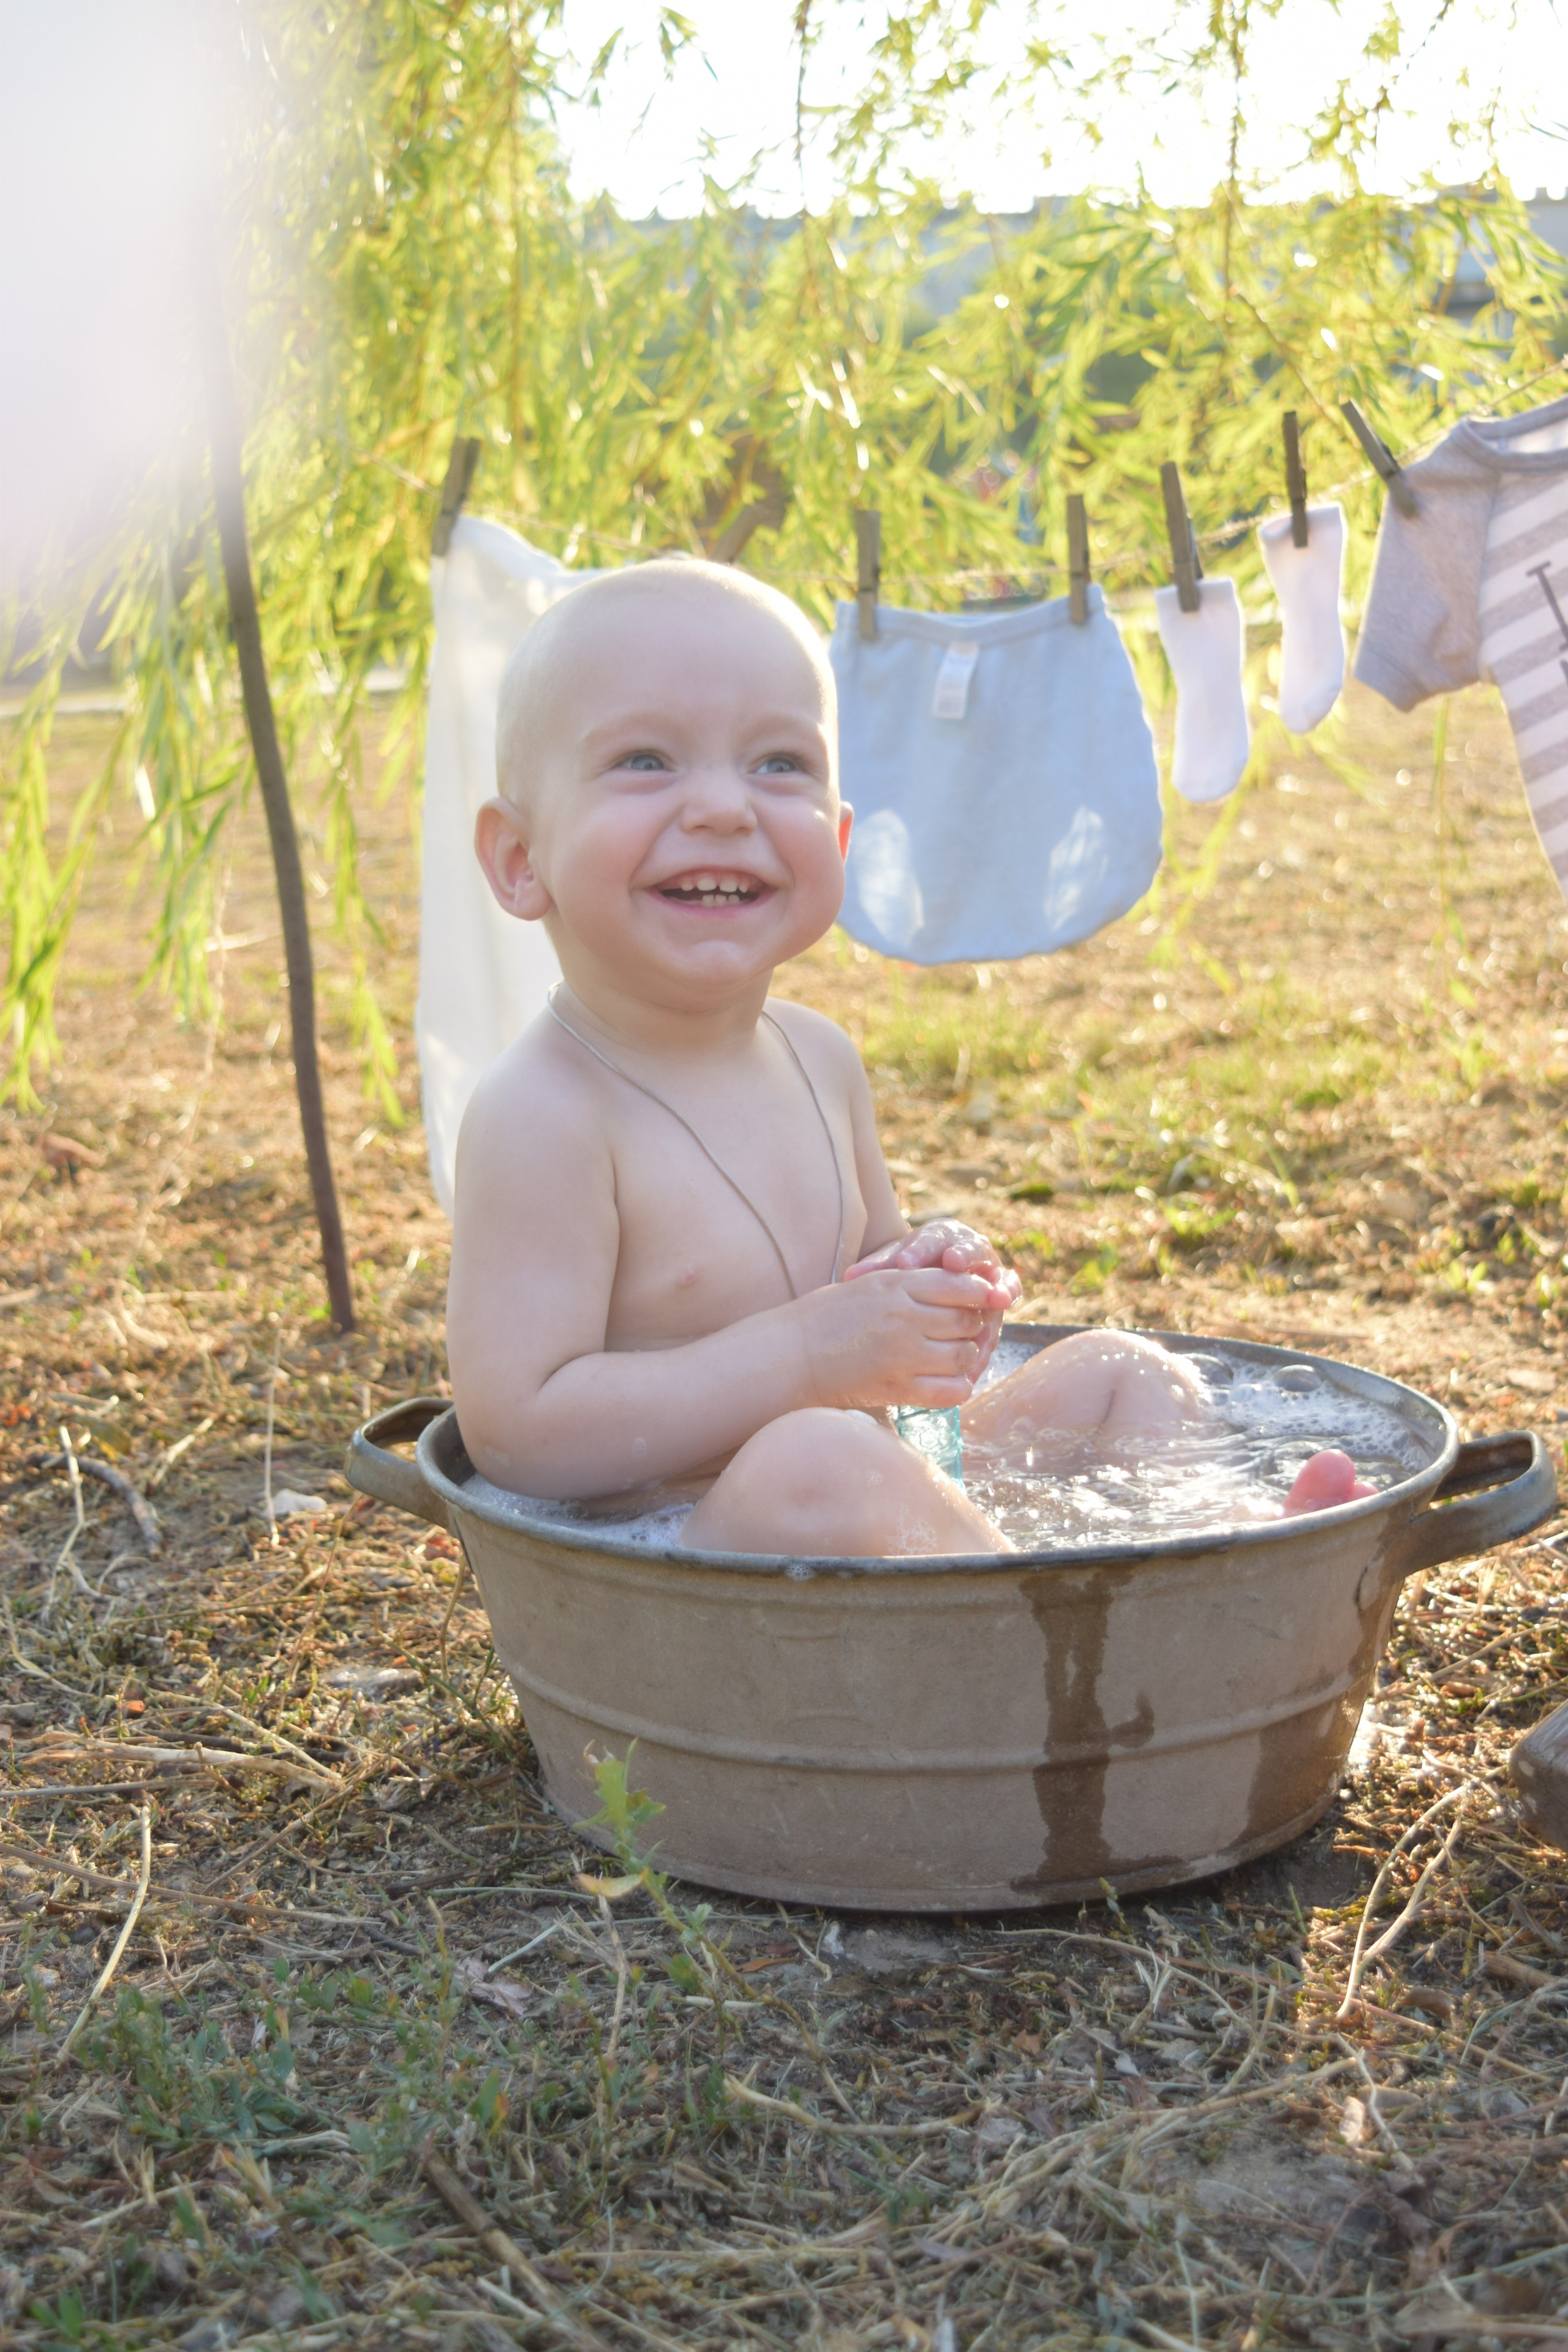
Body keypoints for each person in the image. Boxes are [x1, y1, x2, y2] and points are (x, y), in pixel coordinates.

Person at [445, 560, 1369, 1556]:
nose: (723, 807)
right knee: (815, 1458)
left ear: (839, 838)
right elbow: (519, 1435)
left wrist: (928, 1282)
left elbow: (872, 1286)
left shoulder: (818, 1056)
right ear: (520, 860)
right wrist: (806, 1354)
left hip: (881, 1494)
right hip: (682, 1559)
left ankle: (1229, 1558)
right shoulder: (546, 1114)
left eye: (779, 764)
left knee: (1121, 1373)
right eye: (644, 760)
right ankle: (1057, 1626)